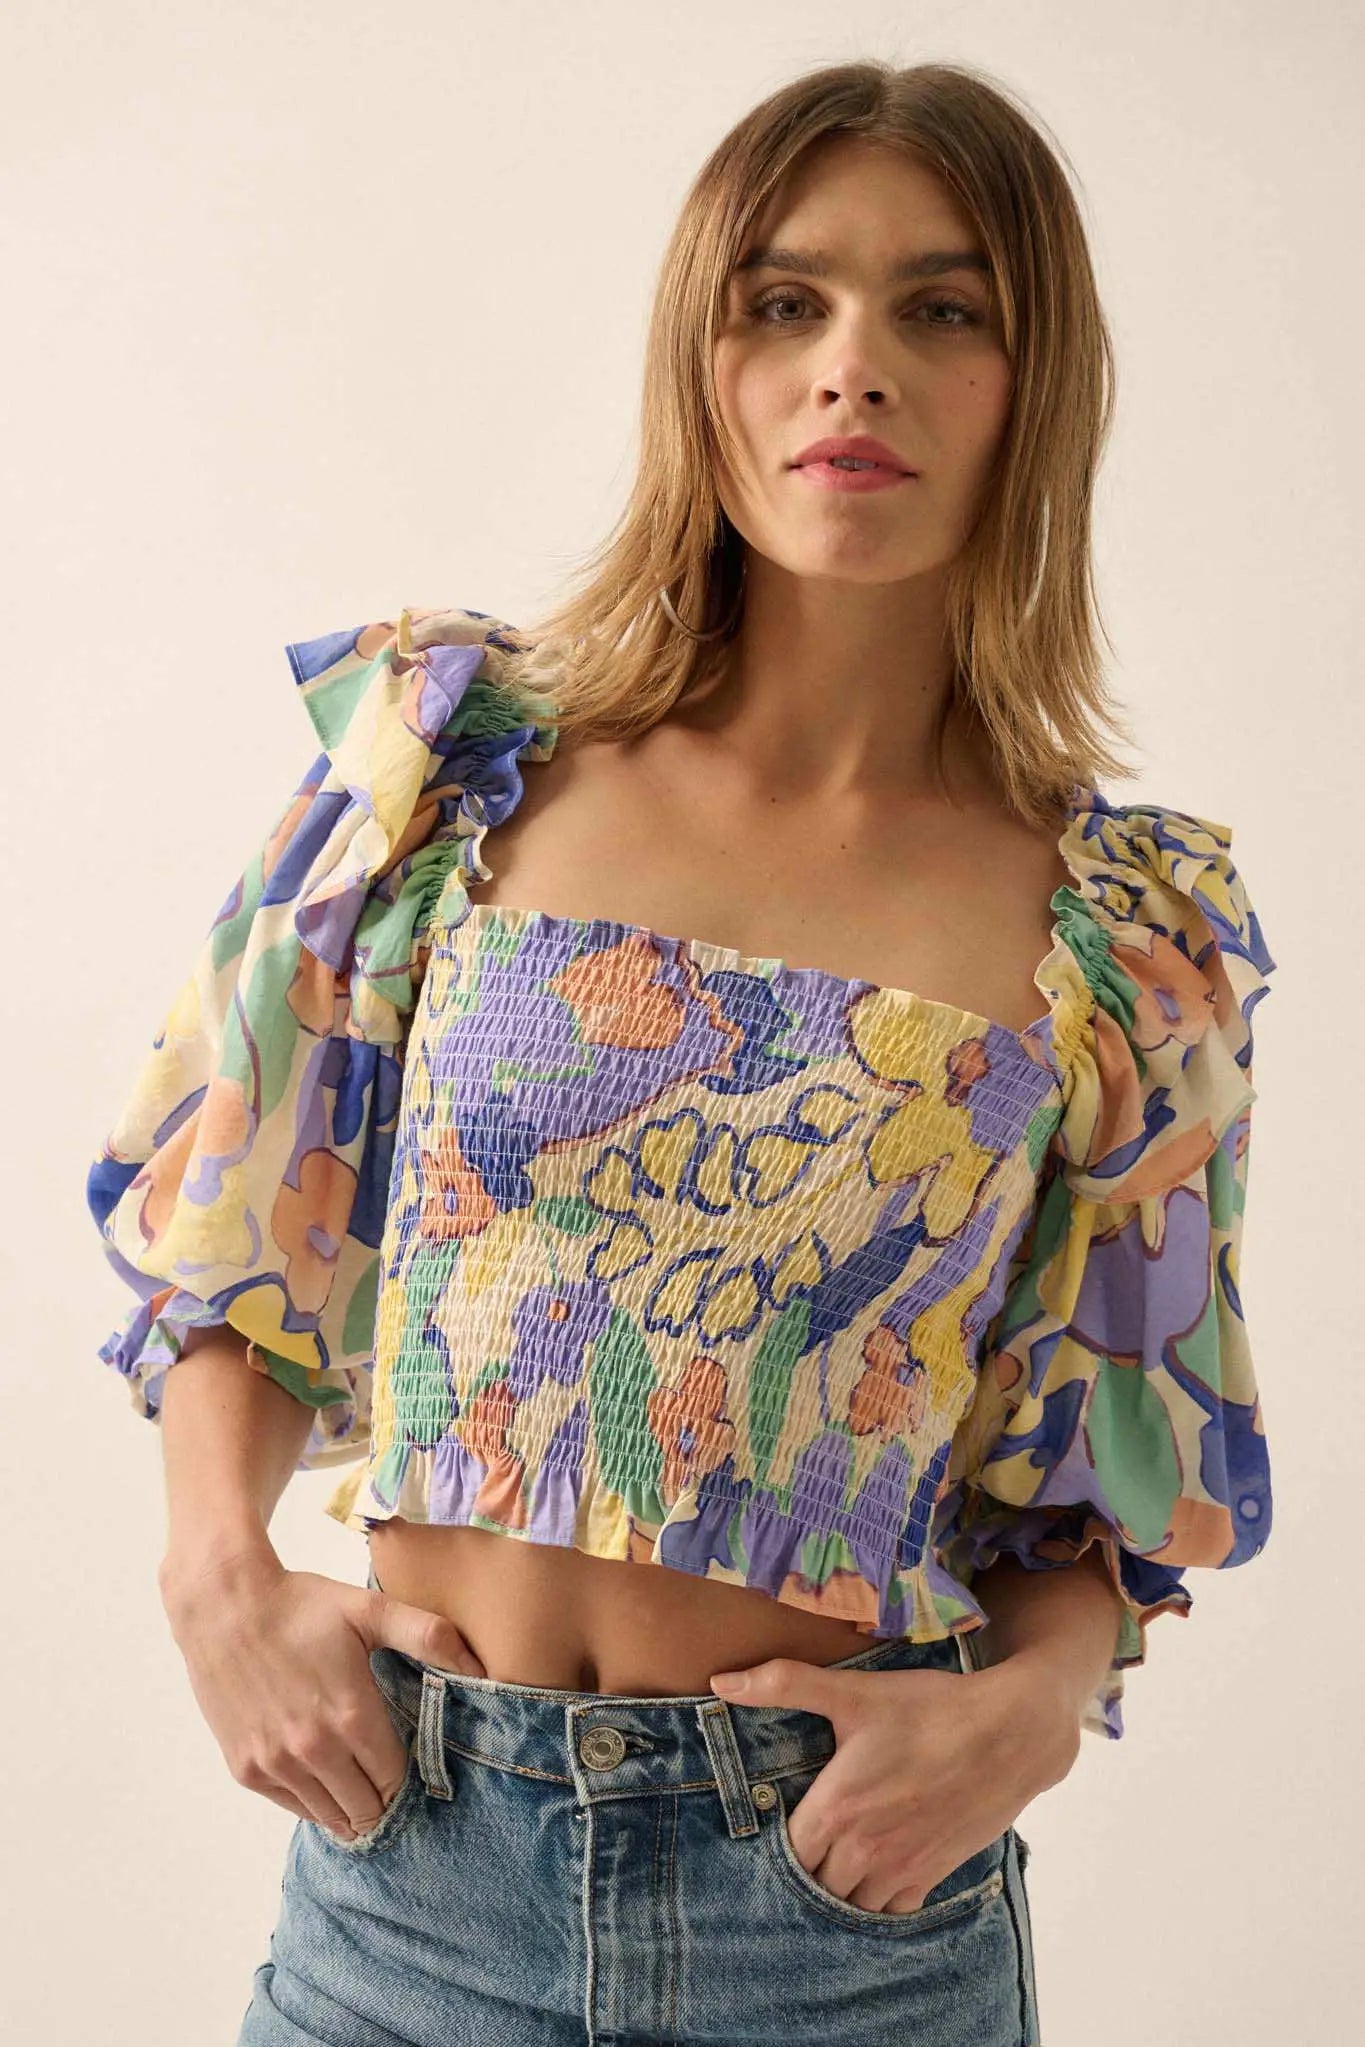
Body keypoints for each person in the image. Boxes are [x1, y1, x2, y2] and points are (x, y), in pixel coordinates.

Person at [86, 57, 1276, 2047]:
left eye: (942, 308)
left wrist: (1030, 1711)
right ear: (696, 354)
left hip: (843, 1920)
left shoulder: (1114, 937)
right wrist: (215, 1576)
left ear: (1033, 385)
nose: (851, 369)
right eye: (783, 301)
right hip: (411, 1889)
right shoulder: (456, 770)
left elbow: (1101, 1471)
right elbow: (236, 1210)